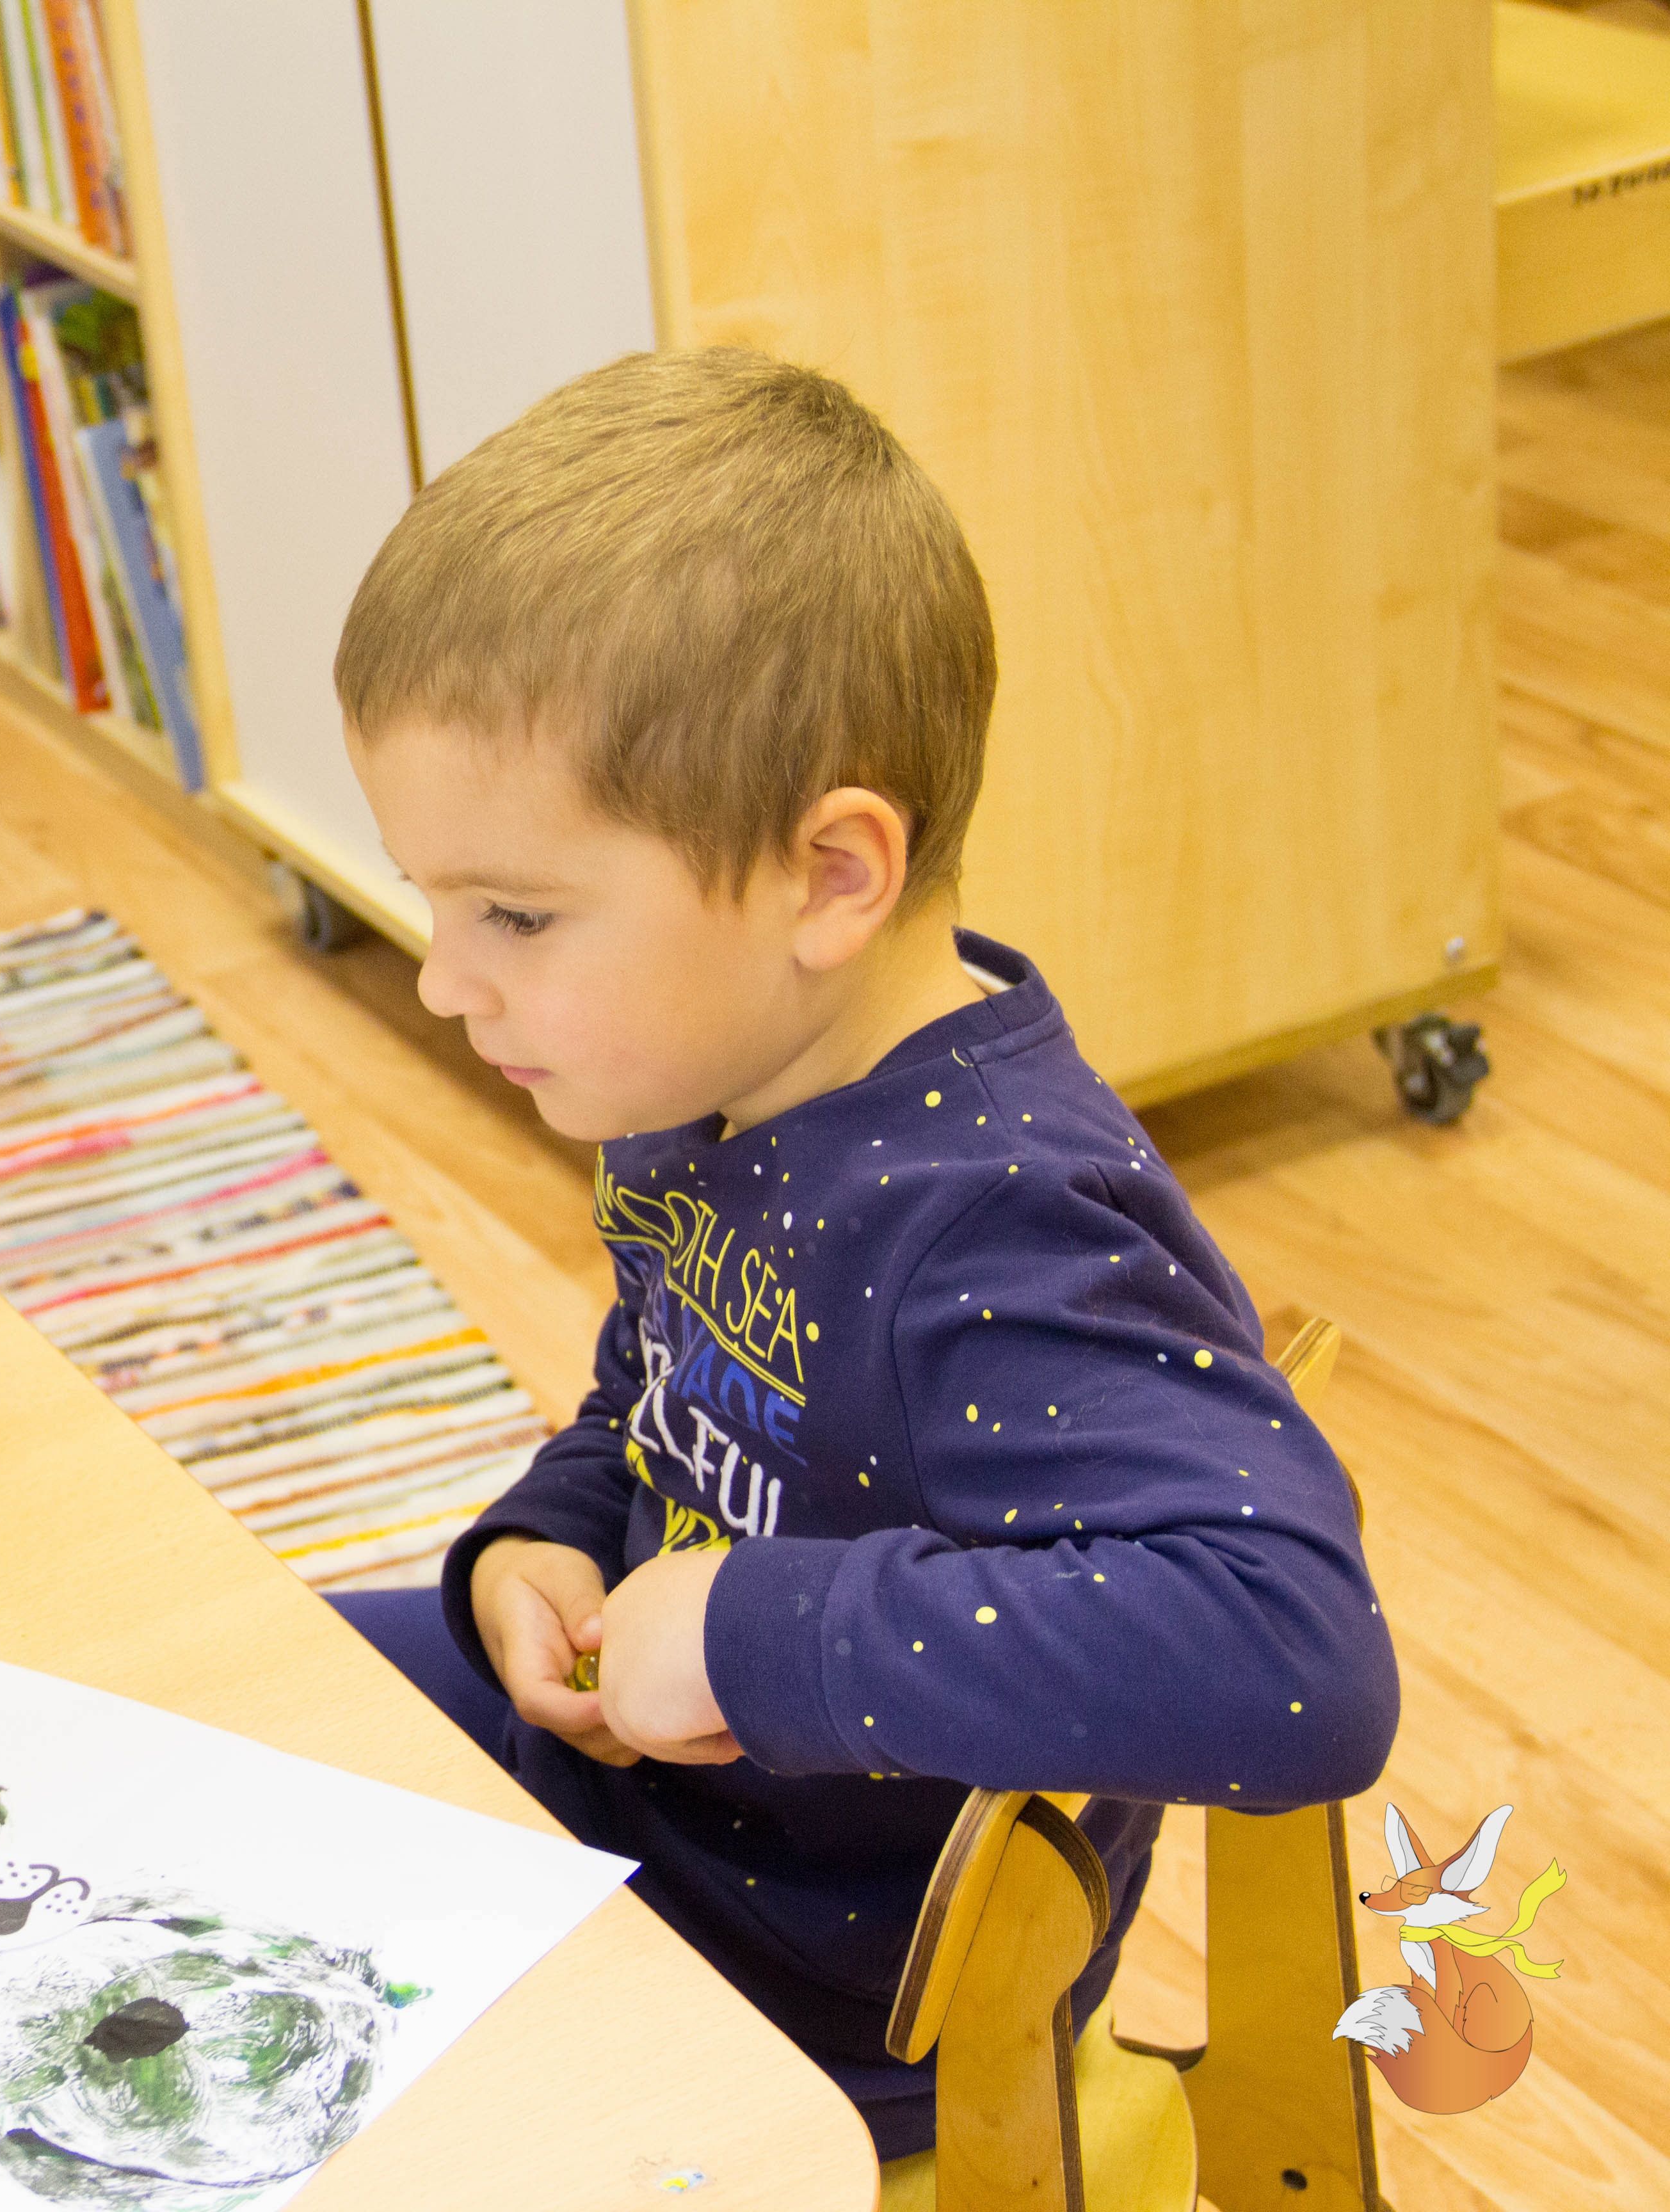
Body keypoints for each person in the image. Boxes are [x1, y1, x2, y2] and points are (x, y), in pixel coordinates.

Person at [322, 348, 1398, 2159]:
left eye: (514, 913)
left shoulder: (1000, 1220)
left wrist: (757, 1634)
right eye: (439, 902)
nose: (444, 981)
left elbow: (1303, 1659)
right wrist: (550, 1536)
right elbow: (665, 1398)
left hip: (812, 1988)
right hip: (647, 1820)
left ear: (832, 876)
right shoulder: (707, 1064)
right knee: (228, 1695)